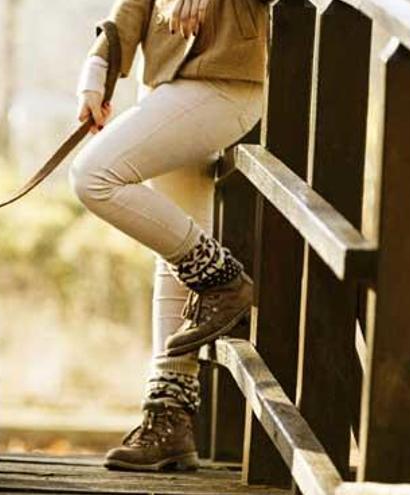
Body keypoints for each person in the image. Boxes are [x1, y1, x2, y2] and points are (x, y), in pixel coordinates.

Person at [69, 0, 268, 472]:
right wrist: (98, 68)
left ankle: (221, 278)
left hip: (228, 81)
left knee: (93, 174)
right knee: (174, 255)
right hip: (164, 84)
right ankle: (169, 421)